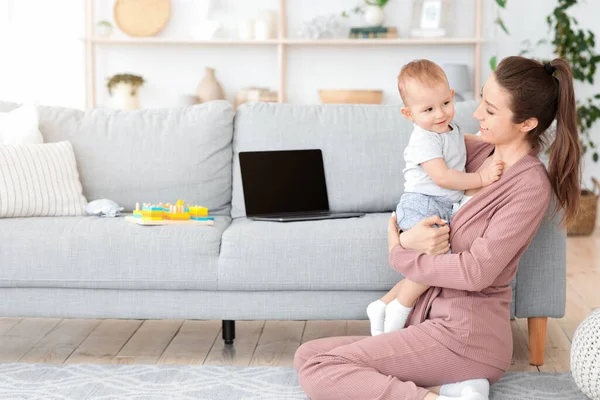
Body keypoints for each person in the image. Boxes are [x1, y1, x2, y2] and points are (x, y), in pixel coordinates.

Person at [294, 55, 581, 400]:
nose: (475, 115)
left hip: (468, 337)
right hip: (430, 323)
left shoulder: (529, 186)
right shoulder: (472, 156)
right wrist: (408, 237)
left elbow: (476, 272)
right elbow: (422, 200)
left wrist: (400, 253)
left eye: (489, 111)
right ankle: (453, 388)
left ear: (526, 124)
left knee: (320, 369)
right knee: (307, 355)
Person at [367, 59, 504, 337]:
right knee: (439, 258)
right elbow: (442, 176)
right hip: (422, 203)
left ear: (452, 96)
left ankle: (383, 303)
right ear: (409, 114)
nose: (440, 114)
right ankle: (399, 311)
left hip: (444, 205)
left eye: (444, 104)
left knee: (437, 258)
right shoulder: (423, 138)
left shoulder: (448, 128)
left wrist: (485, 140)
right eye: (427, 109)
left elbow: (460, 139)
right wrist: (480, 179)